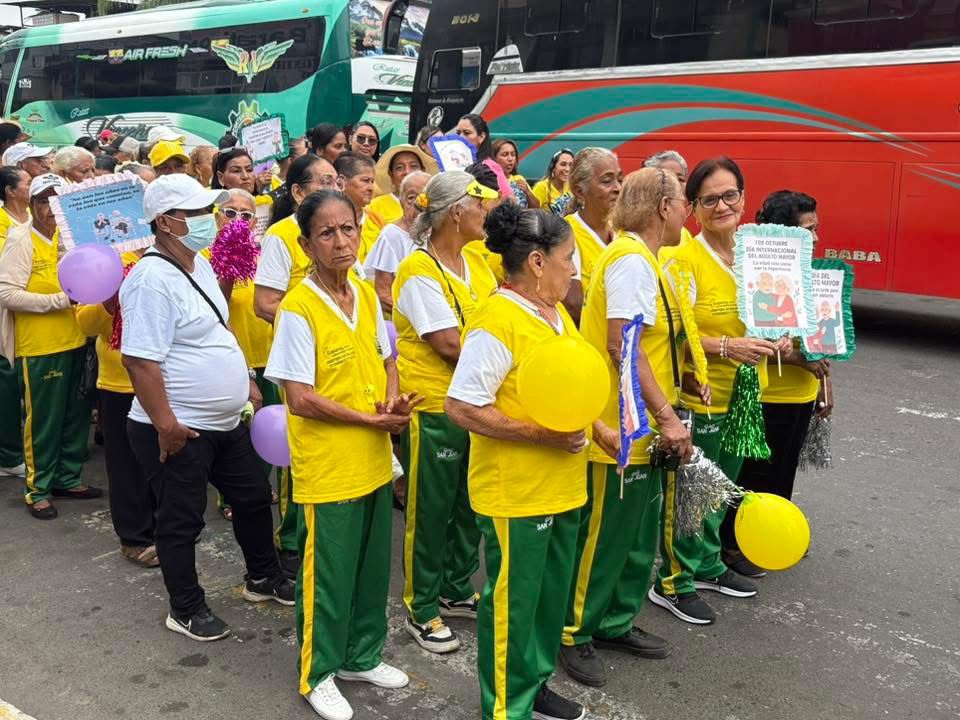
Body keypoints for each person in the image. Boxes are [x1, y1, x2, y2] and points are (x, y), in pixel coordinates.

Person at [446, 202, 605, 720]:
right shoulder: (498, 319)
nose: (574, 269)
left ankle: (532, 684)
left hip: (563, 487)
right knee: (514, 606)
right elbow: (462, 406)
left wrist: (602, 429)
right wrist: (542, 436)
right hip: (517, 493)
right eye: (568, 258)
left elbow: (568, 391)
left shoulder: (554, 314)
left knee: (546, 600)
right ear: (537, 262)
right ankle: (504, 708)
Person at [121, 173, 294, 641]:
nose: (207, 219)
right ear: (165, 222)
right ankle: (185, 608)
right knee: (181, 521)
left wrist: (247, 380)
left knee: (253, 498)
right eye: (196, 212)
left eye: (206, 211)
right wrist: (167, 426)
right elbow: (139, 361)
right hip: (182, 428)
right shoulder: (150, 280)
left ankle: (264, 576)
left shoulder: (197, 265)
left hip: (226, 421)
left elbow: (218, 329)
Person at [265, 190, 413, 720]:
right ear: (306, 245)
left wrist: (392, 401)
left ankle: (361, 656)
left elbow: (387, 358)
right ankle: (318, 672)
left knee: (372, 571)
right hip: (329, 467)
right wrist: (372, 421)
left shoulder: (365, 294)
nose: (341, 241)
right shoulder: (298, 308)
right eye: (326, 233)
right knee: (327, 577)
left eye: (348, 228)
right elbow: (300, 399)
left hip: (372, 459)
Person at [559, 168, 691, 687]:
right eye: (683, 201)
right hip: (620, 427)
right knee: (604, 538)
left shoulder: (644, 258)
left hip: (641, 428)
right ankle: (575, 631)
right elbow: (624, 347)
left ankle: (613, 621)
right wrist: (667, 416)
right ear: (663, 207)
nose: (687, 213)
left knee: (635, 537)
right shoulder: (633, 260)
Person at [652, 156, 785, 624]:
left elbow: (776, 310)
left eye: (730, 195)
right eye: (709, 199)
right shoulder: (682, 260)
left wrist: (780, 335)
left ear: (744, 198)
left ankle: (707, 564)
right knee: (691, 490)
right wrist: (728, 345)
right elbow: (671, 332)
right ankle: (673, 581)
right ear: (692, 208)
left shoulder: (757, 255)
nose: (722, 206)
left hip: (747, 393)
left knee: (722, 486)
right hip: (701, 394)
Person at [392, 172, 499, 654]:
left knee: (467, 505)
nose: (486, 212)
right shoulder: (418, 270)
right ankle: (422, 606)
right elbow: (449, 344)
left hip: (475, 405)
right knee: (430, 511)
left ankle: (456, 588)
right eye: (480, 204)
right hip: (434, 406)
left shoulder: (476, 262)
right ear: (457, 211)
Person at [254, 153, 341, 571]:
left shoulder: (344, 233)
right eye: (324, 181)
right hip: (300, 363)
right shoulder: (282, 235)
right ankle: (292, 540)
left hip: (341, 363)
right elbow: (265, 303)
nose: (334, 188)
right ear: (298, 192)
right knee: (298, 450)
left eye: (336, 180)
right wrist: (315, 324)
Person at [0, 172, 102, 519]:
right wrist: (60, 301)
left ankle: (67, 478)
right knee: (43, 421)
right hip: (40, 347)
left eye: (57, 201)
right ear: (31, 204)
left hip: (77, 340)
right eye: (43, 200)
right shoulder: (21, 238)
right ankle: (38, 488)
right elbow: (7, 294)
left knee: (75, 417)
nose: (51, 208)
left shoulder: (71, 239)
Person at [729, 191, 830, 531]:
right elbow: (752, 346)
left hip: (802, 395)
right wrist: (800, 361)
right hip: (770, 397)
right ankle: (739, 543)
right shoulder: (756, 278)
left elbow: (820, 341)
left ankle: (773, 537)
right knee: (756, 479)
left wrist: (824, 385)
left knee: (783, 477)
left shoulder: (807, 273)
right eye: (809, 230)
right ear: (786, 233)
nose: (816, 238)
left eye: (817, 229)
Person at [75, 234, 155, 565]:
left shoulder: (165, 253)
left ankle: (169, 527)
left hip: (164, 376)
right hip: (120, 381)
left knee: (165, 458)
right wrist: (108, 302)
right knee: (126, 464)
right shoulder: (105, 258)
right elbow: (85, 322)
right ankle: (135, 537)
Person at [208, 189, 279, 519]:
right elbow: (215, 312)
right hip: (233, 359)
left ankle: (260, 486)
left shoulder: (263, 255)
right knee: (237, 431)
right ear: (217, 217)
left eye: (246, 215)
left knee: (268, 426)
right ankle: (232, 496)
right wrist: (226, 268)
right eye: (230, 212)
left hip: (270, 356)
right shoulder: (205, 257)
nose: (238, 220)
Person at [564, 147, 622, 322]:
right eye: (607, 181)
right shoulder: (568, 232)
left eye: (619, 179)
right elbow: (574, 304)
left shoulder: (622, 230)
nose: (618, 188)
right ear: (580, 191)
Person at [0, 167, 31, 479]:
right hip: (5, 311)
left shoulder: (33, 218)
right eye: (28, 182)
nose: (32, 187)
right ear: (10, 190)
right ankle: (8, 456)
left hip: (30, 313)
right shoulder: (2, 222)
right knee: (7, 384)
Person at [363, 171, 430, 313]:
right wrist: (418, 317)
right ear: (401, 202)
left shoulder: (440, 232)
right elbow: (384, 294)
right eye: (411, 198)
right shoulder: (392, 235)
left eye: (425, 197)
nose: (419, 205)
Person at [362, 144, 437, 262]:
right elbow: (373, 251)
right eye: (399, 168)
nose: (407, 172)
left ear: (423, 170)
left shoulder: (436, 203)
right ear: (390, 174)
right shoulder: (375, 207)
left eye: (414, 166)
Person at [644, 150, 695, 249]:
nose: (675, 184)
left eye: (680, 179)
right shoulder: (640, 233)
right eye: (667, 178)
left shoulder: (684, 235)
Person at [334, 152, 377, 258]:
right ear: (341, 182)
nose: (371, 188)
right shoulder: (325, 221)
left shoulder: (377, 221)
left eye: (372, 182)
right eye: (365, 180)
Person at [492, 138, 539, 209]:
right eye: (504, 155)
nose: (510, 159)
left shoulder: (519, 178)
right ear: (494, 158)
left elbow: (537, 207)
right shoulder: (490, 181)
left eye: (513, 155)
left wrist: (528, 192)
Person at [533, 149, 575, 216]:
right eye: (563, 164)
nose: (567, 169)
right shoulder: (541, 187)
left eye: (571, 165)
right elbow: (531, 214)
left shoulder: (572, 185)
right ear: (553, 168)